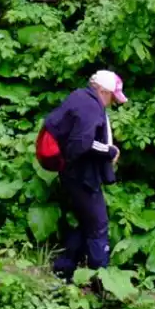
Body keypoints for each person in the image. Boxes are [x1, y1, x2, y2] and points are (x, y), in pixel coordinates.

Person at [45, 69, 126, 280]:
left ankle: (64, 271)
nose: (111, 103)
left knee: (84, 223)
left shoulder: (79, 97)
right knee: (99, 226)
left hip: (70, 174)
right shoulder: (91, 106)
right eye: (111, 97)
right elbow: (82, 142)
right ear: (102, 90)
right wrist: (110, 151)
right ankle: (102, 281)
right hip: (83, 178)